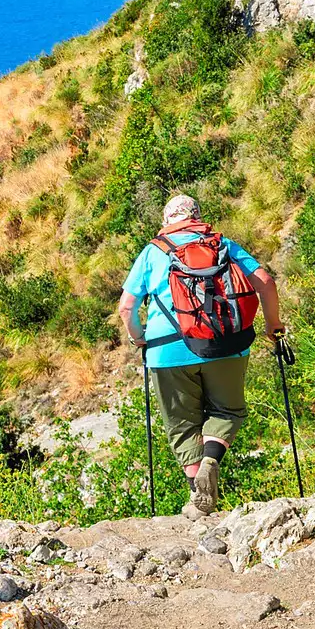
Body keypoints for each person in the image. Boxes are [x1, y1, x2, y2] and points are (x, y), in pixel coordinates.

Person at [119, 193, 283, 518]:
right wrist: (273, 327)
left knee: (182, 424)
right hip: (227, 344)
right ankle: (212, 459)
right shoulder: (222, 245)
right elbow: (265, 282)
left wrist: (139, 339)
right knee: (228, 411)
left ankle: (199, 500)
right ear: (197, 216)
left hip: (168, 352)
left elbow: (126, 307)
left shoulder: (152, 252)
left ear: (167, 222)